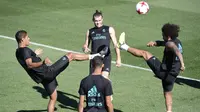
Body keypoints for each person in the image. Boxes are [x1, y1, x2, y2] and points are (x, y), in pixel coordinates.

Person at [15, 30, 105, 112]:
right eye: (27, 37)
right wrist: (42, 62)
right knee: (70, 55)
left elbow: (28, 61)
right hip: (47, 72)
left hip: (42, 78)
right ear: (22, 39)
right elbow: (29, 64)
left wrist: (34, 54)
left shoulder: (18, 52)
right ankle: (97, 55)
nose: (29, 38)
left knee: (53, 98)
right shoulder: (25, 50)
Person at [118, 23, 185, 112]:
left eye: (163, 35)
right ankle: (169, 111)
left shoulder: (170, 44)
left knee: (145, 54)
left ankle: (123, 46)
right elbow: (166, 44)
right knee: (168, 92)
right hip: (172, 75)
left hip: (163, 72)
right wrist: (155, 43)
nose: (162, 36)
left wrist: (182, 63)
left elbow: (176, 50)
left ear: (168, 36)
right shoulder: (177, 42)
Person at [82, 10, 121, 79]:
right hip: (94, 58)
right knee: (93, 79)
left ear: (102, 19)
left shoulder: (109, 29)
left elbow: (116, 45)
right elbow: (85, 46)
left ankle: (107, 88)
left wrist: (118, 58)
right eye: (96, 21)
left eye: (99, 20)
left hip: (106, 57)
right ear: (93, 20)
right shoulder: (90, 31)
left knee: (104, 78)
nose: (98, 22)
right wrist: (85, 48)